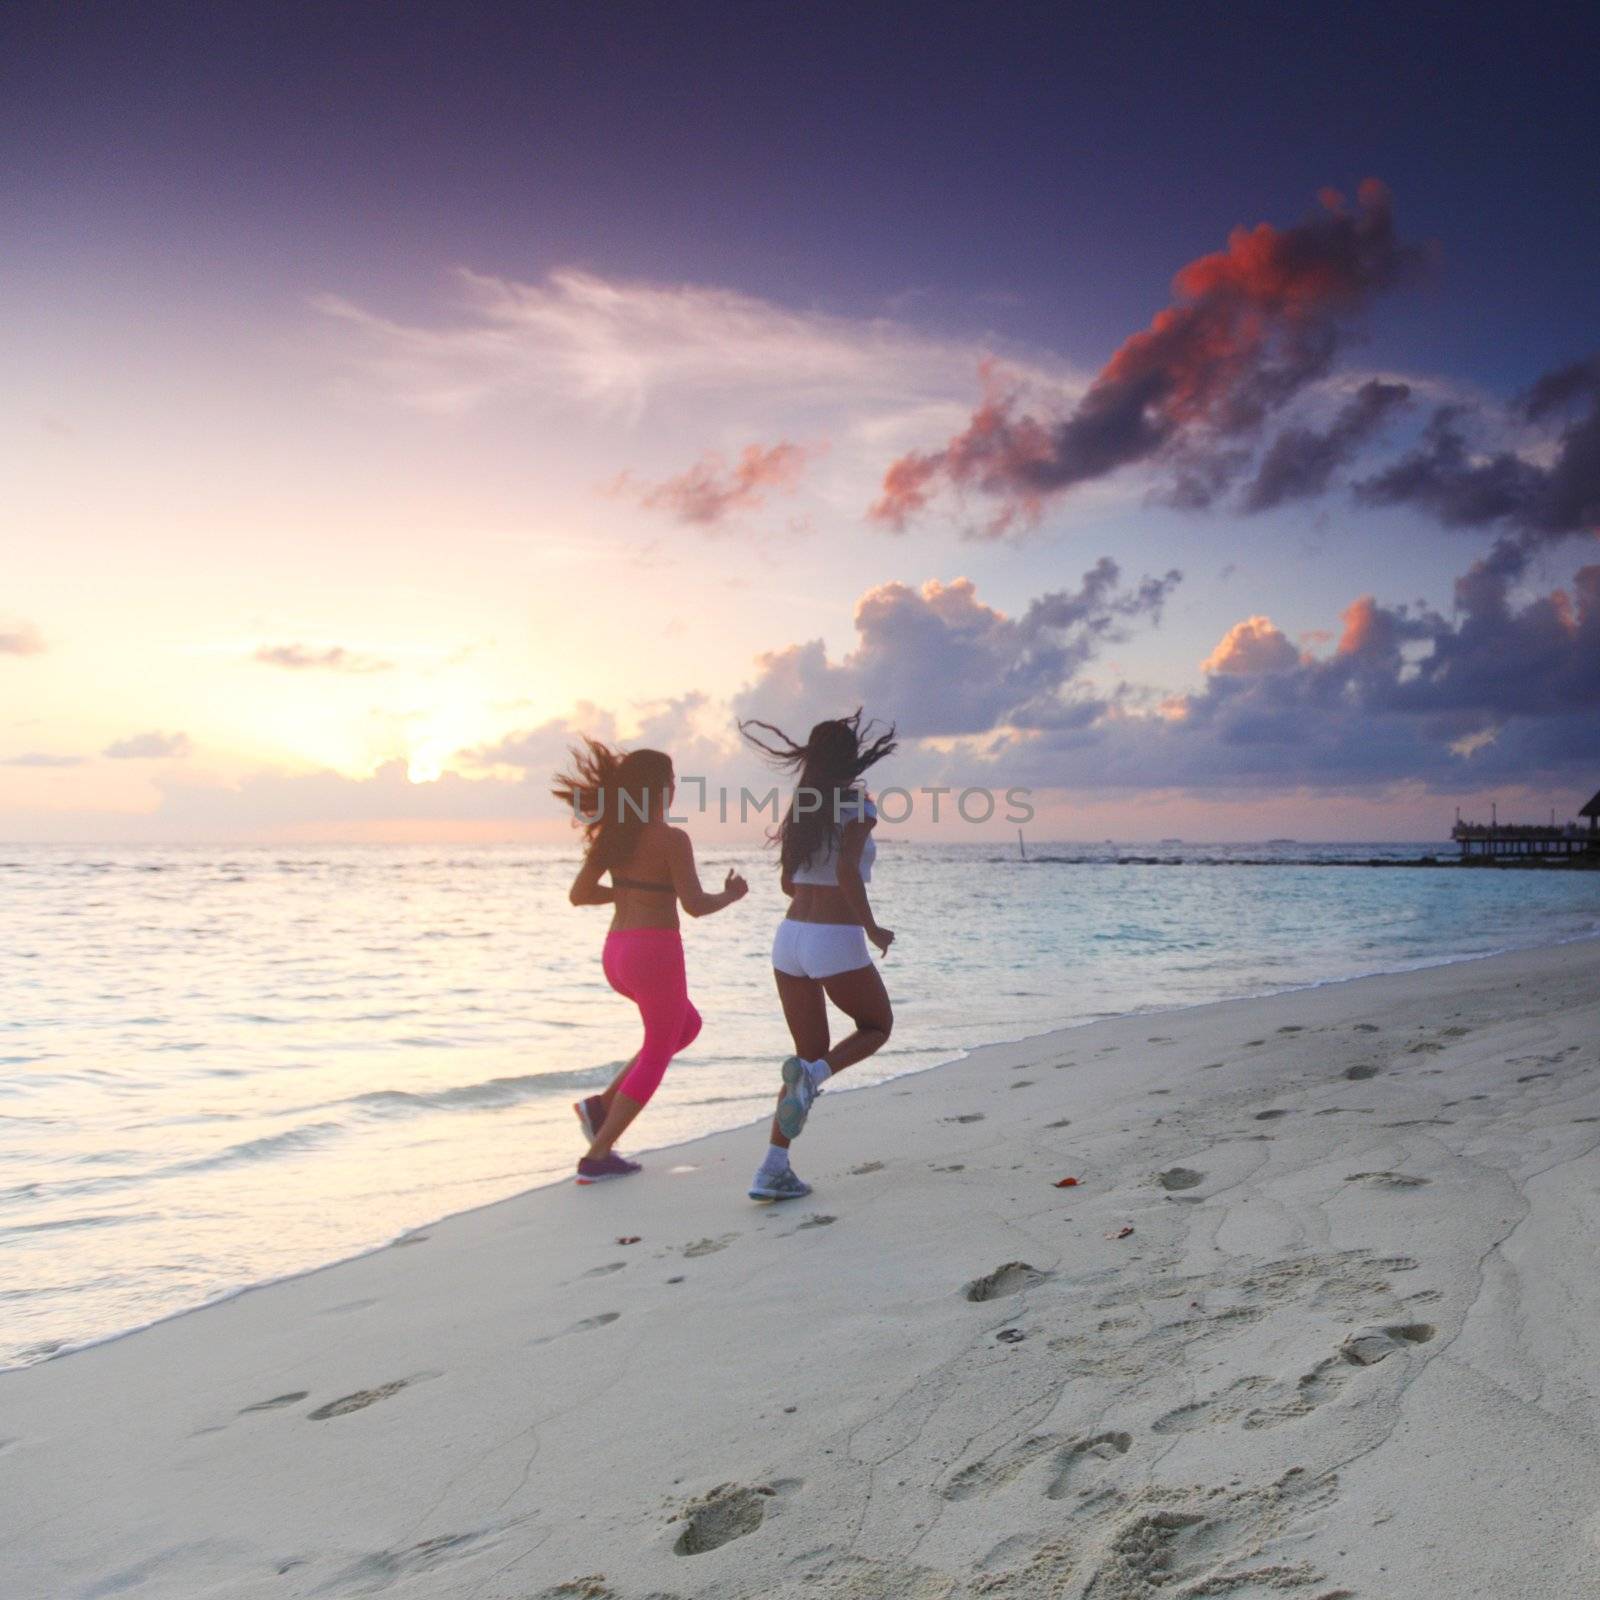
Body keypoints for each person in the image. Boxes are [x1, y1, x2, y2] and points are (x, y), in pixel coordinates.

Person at [553, 740, 747, 1184]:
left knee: (686, 1028)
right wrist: (732, 896)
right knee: (659, 1049)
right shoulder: (672, 839)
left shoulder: (614, 837)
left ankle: (601, 1107)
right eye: (673, 781)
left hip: (617, 954)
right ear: (661, 789)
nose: (675, 788)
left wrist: (627, 892)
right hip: (654, 953)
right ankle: (597, 1156)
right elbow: (695, 905)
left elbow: (579, 895)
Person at [737, 711, 896, 1201]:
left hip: (789, 939)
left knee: (806, 1054)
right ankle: (816, 1076)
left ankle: (772, 1169)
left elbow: (788, 881)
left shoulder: (802, 807)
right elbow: (848, 869)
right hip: (833, 936)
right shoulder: (859, 803)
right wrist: (872, 928)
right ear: (851, 758)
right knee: (876, 1026)